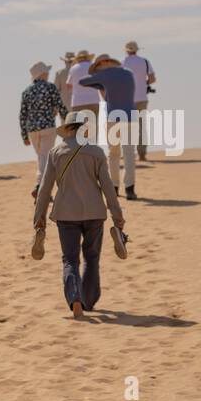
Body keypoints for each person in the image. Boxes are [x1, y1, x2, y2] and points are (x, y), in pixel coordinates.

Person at [32, 110, 126, 319]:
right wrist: (117, 215)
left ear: (67, 130)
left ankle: (74, 298)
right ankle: (88, 301)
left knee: (70, 260)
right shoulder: (97, 153)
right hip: (95, 213)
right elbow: (108, 187)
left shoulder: (56, 153)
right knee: (92, 259)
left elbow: (45, 189)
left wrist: (38, 218)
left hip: (66, 214)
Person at [79, 53, 139, 200]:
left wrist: (99, 83)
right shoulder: (128, 74)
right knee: (129, 154)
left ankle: (114, 187)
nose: (98, 71)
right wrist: (101, 84)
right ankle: (130, 189)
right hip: (130, 116)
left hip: (113, 117)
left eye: (98, 67)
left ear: (104, 63)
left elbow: (83, 81)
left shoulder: (105, 75)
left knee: (114, 154)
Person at [19, 61, 66, 199]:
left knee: (42, 157)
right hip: (48, 127)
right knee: (45, 157)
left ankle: (42, 187)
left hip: (32, 129)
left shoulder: (27, 91)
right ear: (42, 74)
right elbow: (60, 106)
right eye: (47, 72)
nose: (48, 74)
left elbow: (23, 115)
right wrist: (69, 121)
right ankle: (41, 187)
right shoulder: (50, 88)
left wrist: (24, 136)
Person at [122, 41, 156, 161]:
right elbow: (152, 78)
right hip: (142, 98)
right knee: (141, 126)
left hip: (127, 98)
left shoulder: (123, 62)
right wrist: (143, 83)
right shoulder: (145, 61)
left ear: (126, 50)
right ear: (137, 50)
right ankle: (142, 153)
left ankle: (127, 153)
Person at [65, 49, 99, 126]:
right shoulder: (94, 67)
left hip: (78, 102)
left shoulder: (73, 68)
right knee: (93, 127)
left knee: (79, 128)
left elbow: (68, 85)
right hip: (93, 100)